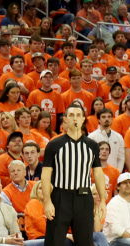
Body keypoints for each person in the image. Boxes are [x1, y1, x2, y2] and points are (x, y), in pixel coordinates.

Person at [41, 105, 106, 246]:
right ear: (65, 120)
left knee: (85, 242)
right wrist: (47, 201)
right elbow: (45, 175)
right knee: (53, 241)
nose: (75, 118)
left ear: (83, 119)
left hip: (84, 198)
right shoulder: (54, 145)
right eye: (71, 115)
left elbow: (98, 173)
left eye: (78, 115)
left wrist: (103, 200)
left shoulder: (92, 145)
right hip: (60, 197)